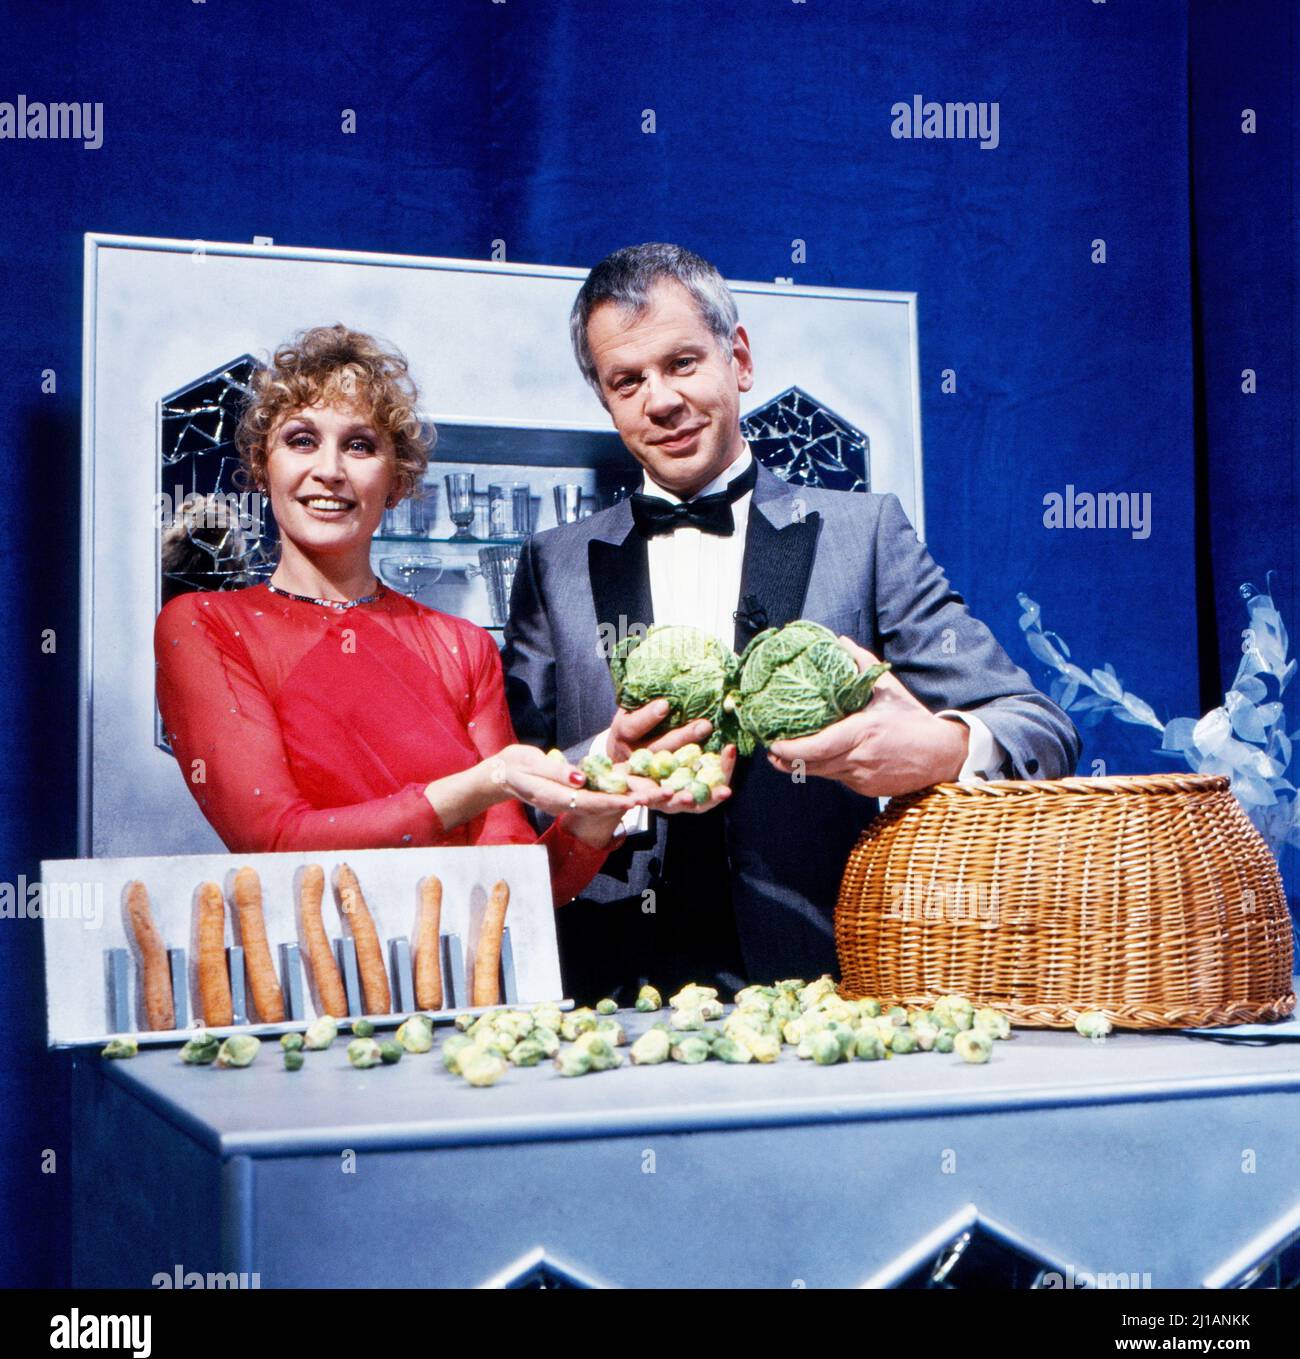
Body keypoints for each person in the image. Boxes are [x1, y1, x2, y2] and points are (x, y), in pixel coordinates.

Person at [503, 243, 1081, 1000]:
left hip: (824, 981)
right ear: (607, 401)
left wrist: (938, 749)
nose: (661, 400)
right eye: (627, 381)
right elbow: (512, 783)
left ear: (738, 359)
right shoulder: (554, 562)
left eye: (682, 363)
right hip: (605, 990)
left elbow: (1040, 727)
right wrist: (607, 763)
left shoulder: (863, 536)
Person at [154, 324, 671, 906]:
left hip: (468, 988)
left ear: (396, 481)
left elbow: (517, 890)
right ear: (261, 465)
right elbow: (275, 843)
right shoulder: (204, 625)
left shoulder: (463, 646)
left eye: (359, 445)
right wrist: (484, 782)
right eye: (301, 440)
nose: (330, 469)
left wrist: (599, 802)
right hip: (308, 982)